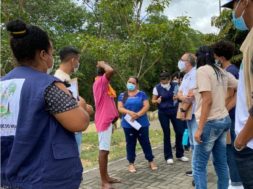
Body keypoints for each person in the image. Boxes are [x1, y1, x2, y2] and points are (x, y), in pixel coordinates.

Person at [0, 19, 90, 189]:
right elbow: (79, 122)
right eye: (51, 52)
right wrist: (81, 105)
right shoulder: (48, 85)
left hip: (9, 176)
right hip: (47, 178)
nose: (52, 57)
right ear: (43, 55)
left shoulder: (3, 85)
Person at [193, 46, 238, 189]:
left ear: (198, 58)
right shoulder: (221, 71)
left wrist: (199, 129)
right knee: (221, 163)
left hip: (210, 122)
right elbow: (240, 85)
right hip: (224, 120)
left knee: (199, 165)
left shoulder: (202, 71)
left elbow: (207, 100)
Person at [222, 0, 253, 188]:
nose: (234, 14)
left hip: (249, 145)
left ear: (245, 2)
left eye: (234, 7)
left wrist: (241, 140)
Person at [212, 40, 242, 187]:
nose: (215, 59)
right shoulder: (234, 69)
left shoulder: (228, 72)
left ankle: (236, 182)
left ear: (221, 58)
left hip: (229, 117)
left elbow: (231, 97)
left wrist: (222, 112)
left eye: (216, 56)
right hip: (232, 116)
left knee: (230, 150)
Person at [54, 46, 94, 154]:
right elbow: (69, 107)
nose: (78, 64)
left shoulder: (66, 78)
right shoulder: (59, 81)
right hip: (69, 133)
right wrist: (84, 107)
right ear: (73, 60)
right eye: (78, 60)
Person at [118, 76, 157, 173]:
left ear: (137, 84)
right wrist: (130, 113)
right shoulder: (123, 95)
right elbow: (120, 108)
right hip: (128, 124)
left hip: (142, 123)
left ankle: (150, 160)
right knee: (130, 143)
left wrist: (138, 114)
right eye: (129, 82)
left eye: (133, 83)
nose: (130, 84)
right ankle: (131, 163)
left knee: (145, 142)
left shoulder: (142, 94)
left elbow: (146, 105)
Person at [93, 61, 120, 189]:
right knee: (103, 151)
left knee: (106, 151)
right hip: (103, 121)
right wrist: (103, 64)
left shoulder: (105, 85)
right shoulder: (100, 82)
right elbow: (110, 71)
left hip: (108, 121)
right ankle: (104, 182)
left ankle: (107, 177)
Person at [152, 71, 189, 165]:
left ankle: (180, 154)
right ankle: (168, 156)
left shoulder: (176, 85)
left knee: (179, 131)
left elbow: (182, 96)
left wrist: (177, 97)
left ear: (169, 79)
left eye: (165, 80)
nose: (163, 82)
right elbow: (153, 100)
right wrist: (157, 100)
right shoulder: (157, 87)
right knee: (166, 133)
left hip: (175, 110)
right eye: (161, 80)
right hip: (163, 112)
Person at [176, 53, 197, 186]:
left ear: (188, 62)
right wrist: (183, 98)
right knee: (193, 144)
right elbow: (180, 93)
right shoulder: (186, 76)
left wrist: (183, 107)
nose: (180, 62)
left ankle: (198, 173)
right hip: (188, 113)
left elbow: (191, 95)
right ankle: (196, 171)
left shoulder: (195, 74)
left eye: (182, 60)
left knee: (197, 144)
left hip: (194, 113)